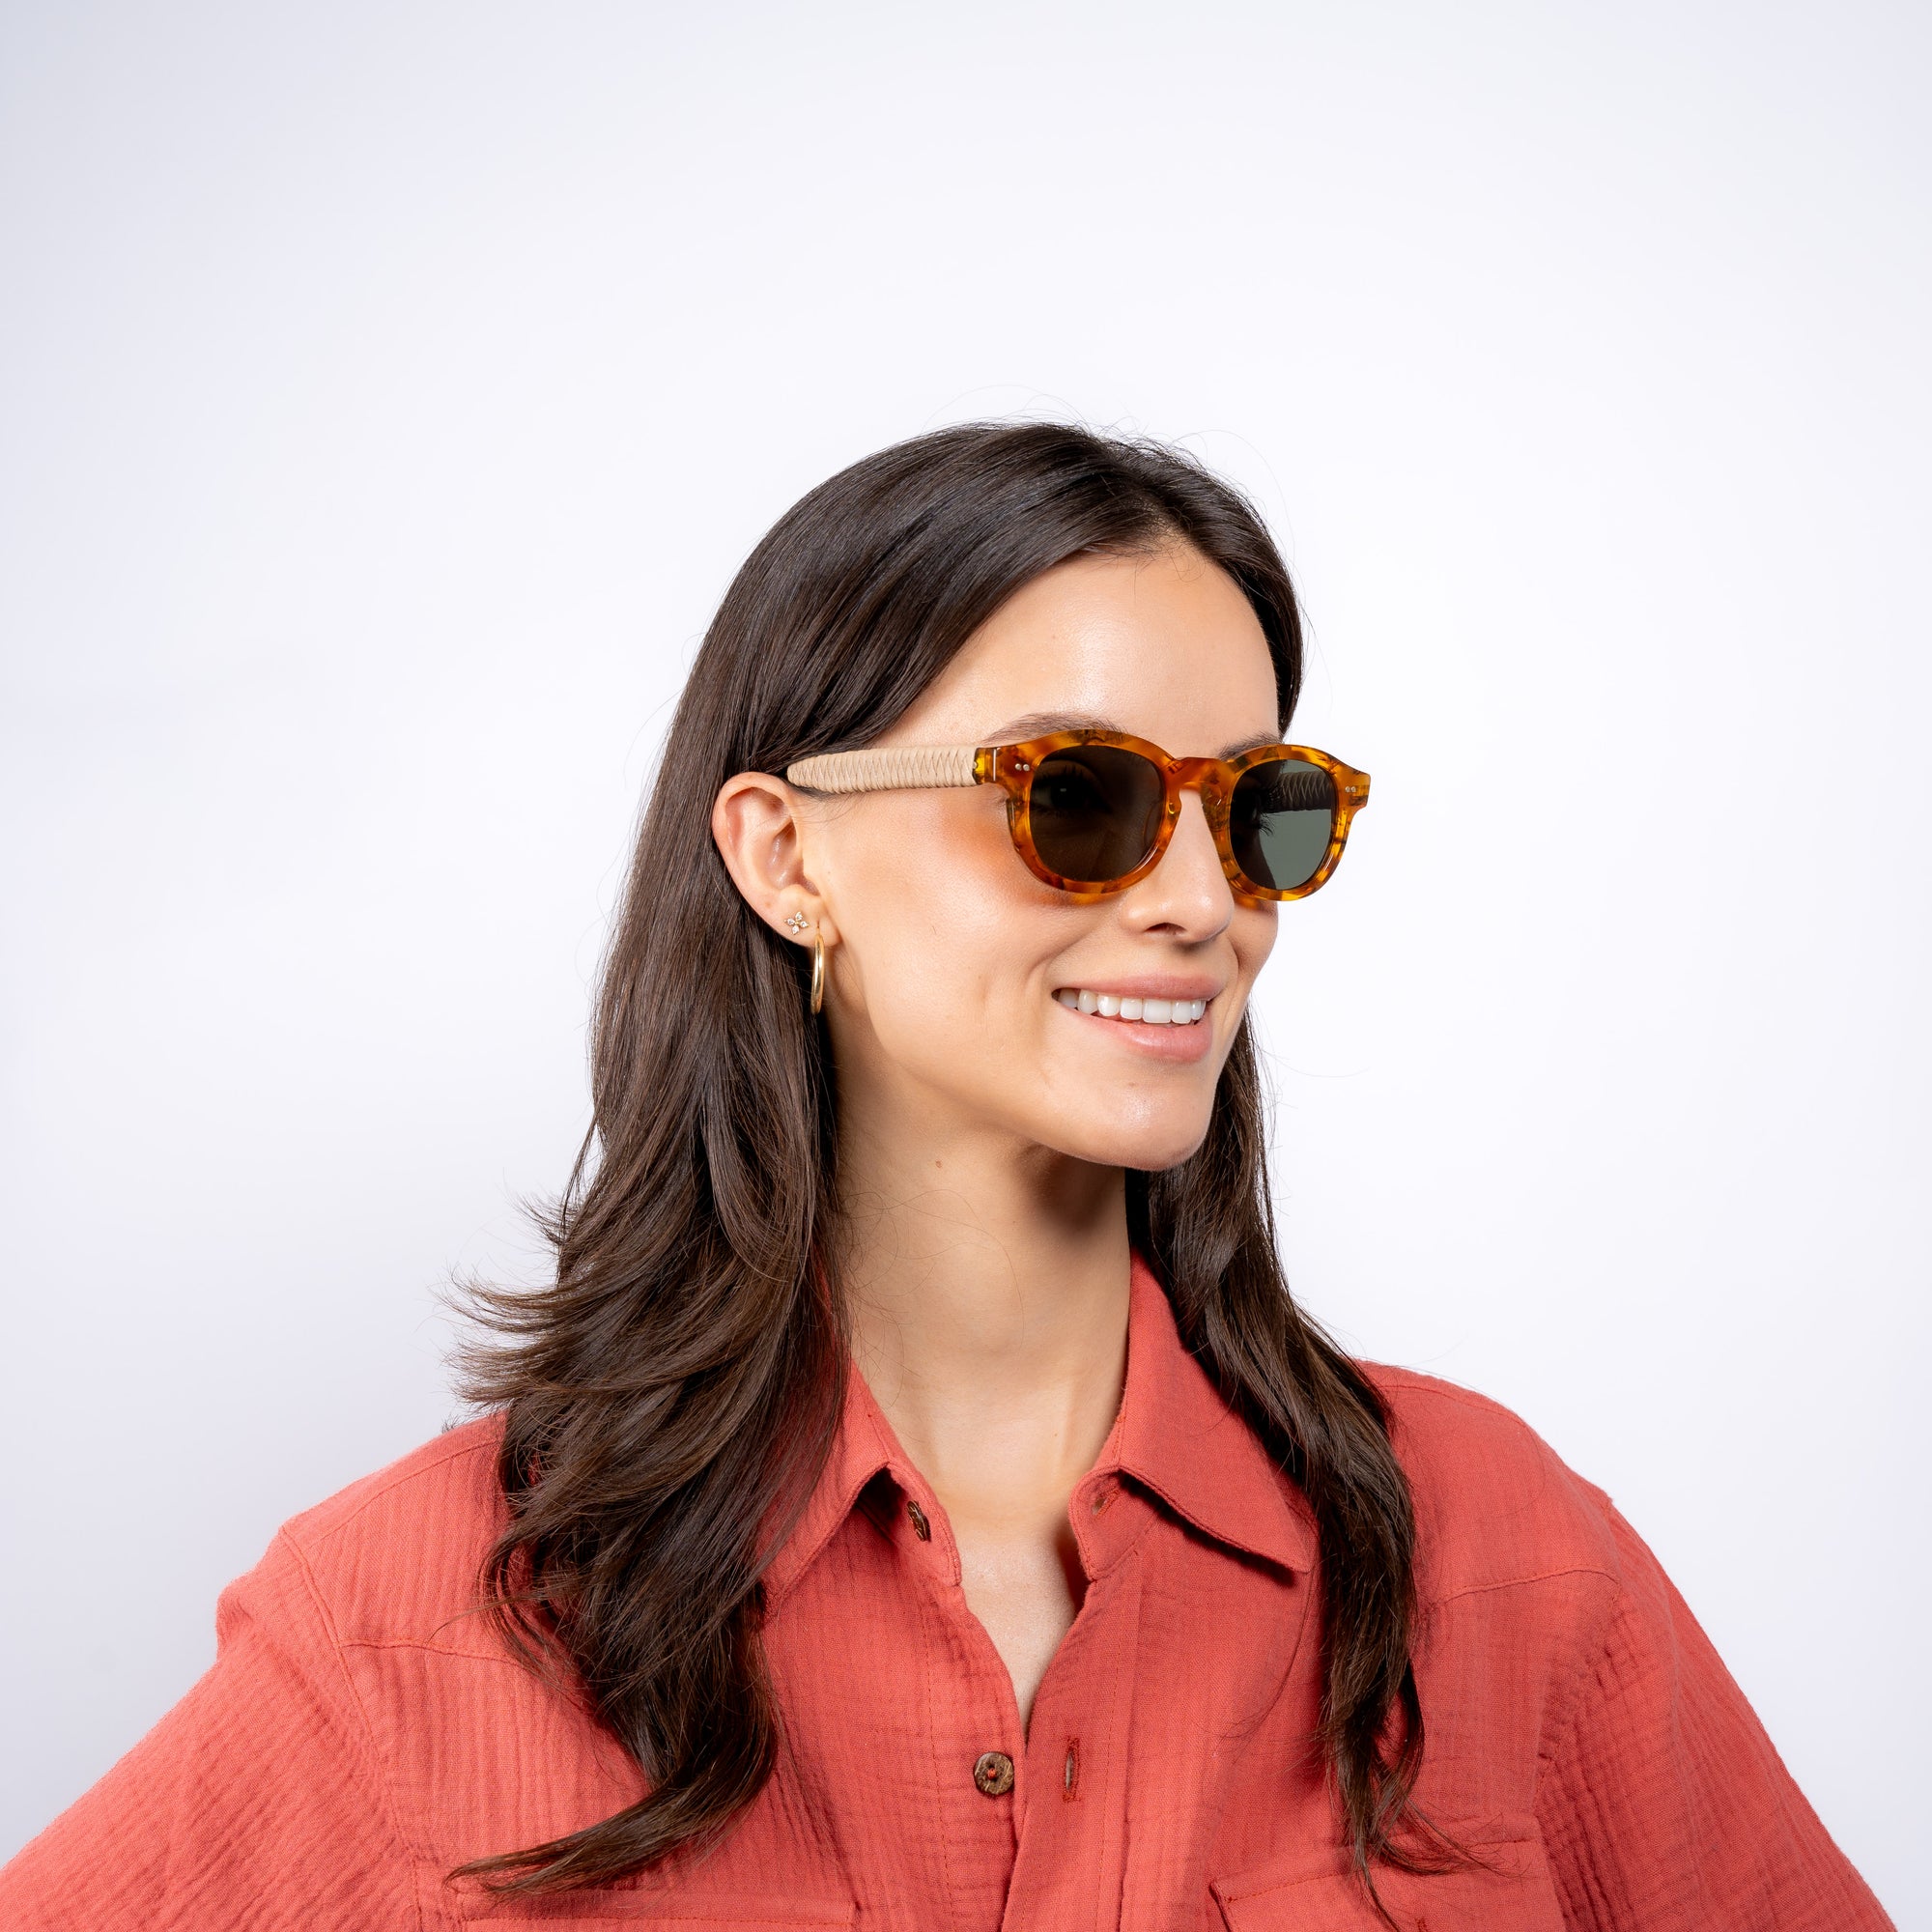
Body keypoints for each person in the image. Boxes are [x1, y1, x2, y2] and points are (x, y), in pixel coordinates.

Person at [0, 424, 1891, 1931]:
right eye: (1079, 798)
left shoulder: (1494, 1565)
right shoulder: (418, 1626)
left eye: (1257, 810)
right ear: (786, 856)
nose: (1198, 902)